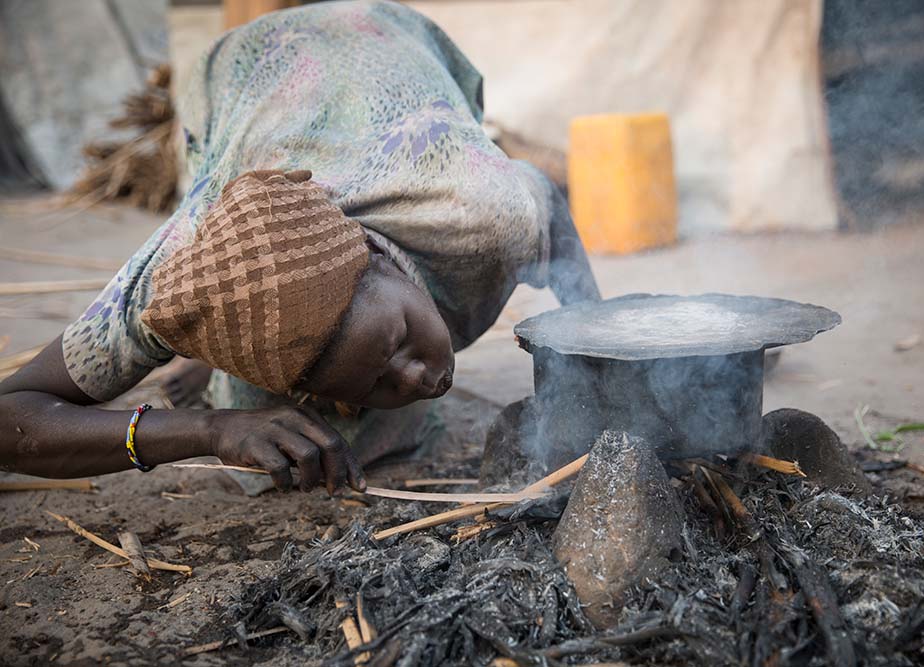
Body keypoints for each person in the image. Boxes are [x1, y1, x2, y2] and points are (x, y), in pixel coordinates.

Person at [0, 0, 599, 495]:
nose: (420, 377)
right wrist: (208, 428)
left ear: (378, 252)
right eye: (373, 381)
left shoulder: (477, 207)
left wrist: (591, 378)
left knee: (361, 429)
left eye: (398, 339)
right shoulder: (170, 284)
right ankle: (220, 355)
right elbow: (11, 419)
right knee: (281, 461)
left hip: (379, 36)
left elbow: (557, 224)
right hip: (240, 91)